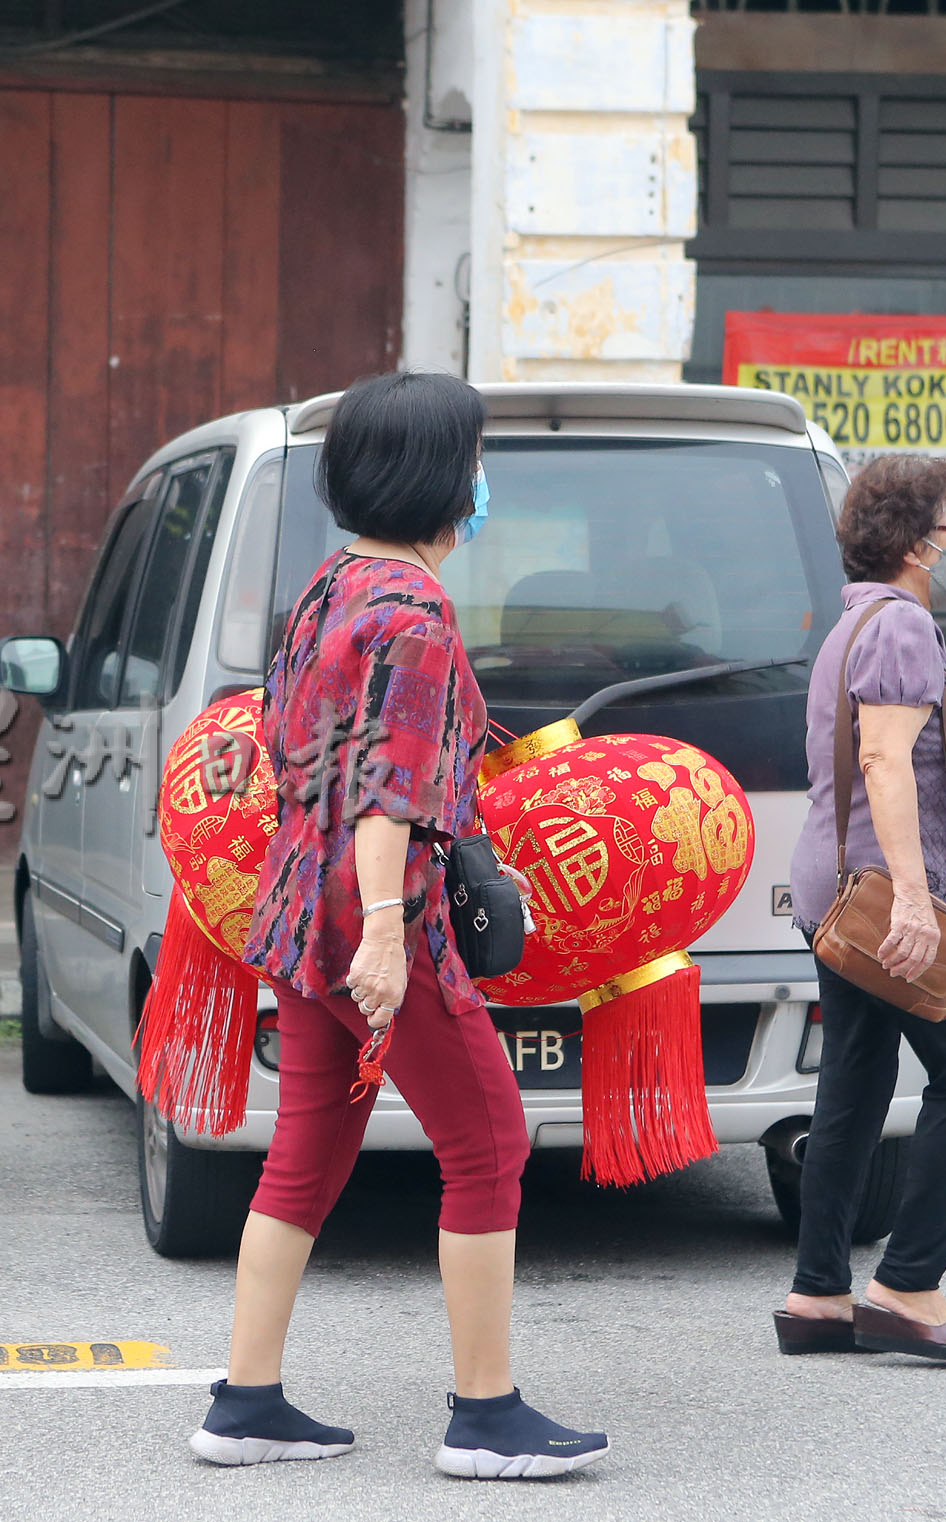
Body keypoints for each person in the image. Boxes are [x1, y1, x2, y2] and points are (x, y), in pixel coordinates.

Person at [191, 371, 608, 1479]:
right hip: (379, 920)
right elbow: (387, 793)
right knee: (491, 1146)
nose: (481, 481)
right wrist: (386, 931)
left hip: (297, 914)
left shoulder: (330, 585)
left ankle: (245, 1402)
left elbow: (289, 737)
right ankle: (485, 1418)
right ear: (437, 478)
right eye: (473, 460)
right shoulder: (415, 615)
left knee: (306, 1149)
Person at [779, 454, 946, 1362]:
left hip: (837, 890)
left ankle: (818, 1295)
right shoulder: (906, 627)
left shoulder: (858, 621)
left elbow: (891, 748)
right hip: (883, 897)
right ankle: (908, 1286)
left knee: (856, 1082)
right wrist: (916, 898)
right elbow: (882, 760)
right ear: (918, 544)